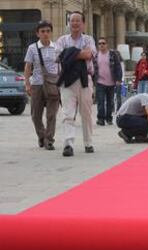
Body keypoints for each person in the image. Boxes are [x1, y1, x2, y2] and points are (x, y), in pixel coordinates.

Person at [55, 11, 96, 157]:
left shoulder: (88, 39)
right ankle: (68, 144)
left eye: (78, 21)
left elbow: (89, 54)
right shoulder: (62, 40)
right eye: (72, 20)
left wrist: (69, 54)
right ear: (69, 23)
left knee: (86, 113)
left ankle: (88, 142)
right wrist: (78, 54)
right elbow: (58, 56)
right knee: (68, 113)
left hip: (85, 79)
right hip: (66, 80)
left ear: (83, 23)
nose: (75, 23)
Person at [24, 20, 60, 151]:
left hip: (53, 84)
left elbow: (60, 66)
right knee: (35, 115)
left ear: (51, 32)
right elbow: (28, 66)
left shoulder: (56, 47)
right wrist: (27, 83)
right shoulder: (32, 48)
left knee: (51, 115)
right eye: (42, 31)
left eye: (48, 31)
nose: (45, 34)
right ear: (37, 33)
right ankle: (41, 135)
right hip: (37, 84)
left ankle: (49, 140)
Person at [93, 37, 122, 126]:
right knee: (100, 101)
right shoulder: (96, 56)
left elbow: (118, 67)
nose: (101, 45)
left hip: (111, 82)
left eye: (103, 43)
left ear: (107, 45)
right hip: (100, 82)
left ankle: (109, 118)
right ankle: (100, 119)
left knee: (110, 102)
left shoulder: (112, 54)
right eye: (100, 44)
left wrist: (118, 79)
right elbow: (93, 69)